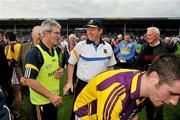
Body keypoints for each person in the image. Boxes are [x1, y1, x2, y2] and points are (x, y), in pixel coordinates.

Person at [74, 53, 180, 120]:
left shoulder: (146, 84)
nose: (175, 102)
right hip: (87, 115)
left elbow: (133, 112)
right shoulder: (116, 91)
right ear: (154, 78)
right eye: (172, 93)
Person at [63, 19, 117, 119]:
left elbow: (110, 67)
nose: (89, 32)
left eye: (93, 29)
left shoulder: (108, 47)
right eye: (88, 29)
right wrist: (69, 82)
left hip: (102, 86)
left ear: (100, 31)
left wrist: (111, 84)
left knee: (99, 112)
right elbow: (71, 64)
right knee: (79, 112)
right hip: (83, 86)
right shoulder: (80, 45)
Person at [23, 20, 63, 120]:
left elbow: (51, 68)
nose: (59, 36)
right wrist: (50, 95)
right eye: (56, 33)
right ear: (45, 33)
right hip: (42, 102)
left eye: (59, 33)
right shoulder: (35, 53)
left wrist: (60, 71)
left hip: (53, 100)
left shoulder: (55, 50)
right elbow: (29, 79)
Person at [15, 26, 41, 120]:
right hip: (27, 87)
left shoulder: (48, 48)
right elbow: (17, 64)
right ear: (32, 35)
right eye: (39, 34)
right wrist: (21, 77)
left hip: (42, 87)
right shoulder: (24, 47)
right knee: (30, 112)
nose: (41, 36)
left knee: (41, 113)